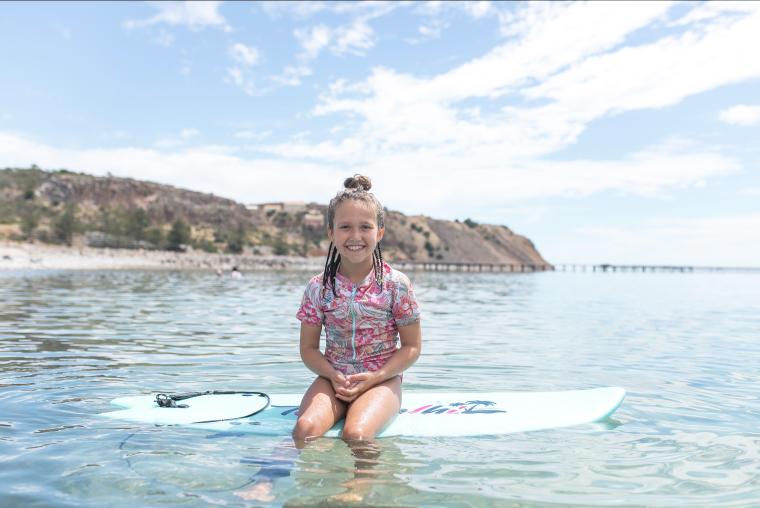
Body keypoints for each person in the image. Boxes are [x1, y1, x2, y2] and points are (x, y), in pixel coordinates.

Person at [293, 174, 422, 446]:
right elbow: (308, 349)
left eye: (365, 227)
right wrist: (331, 374)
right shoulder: (319, 288)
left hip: (381, 380)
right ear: (331, 232)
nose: (355, 236)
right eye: (345, 227)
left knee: (357, 435)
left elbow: (411, 347)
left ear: (380, 232)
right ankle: (266, 481)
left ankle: (357, 489)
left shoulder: (396, 285)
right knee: (304, 429)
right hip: (333, 379)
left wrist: (375, 377)